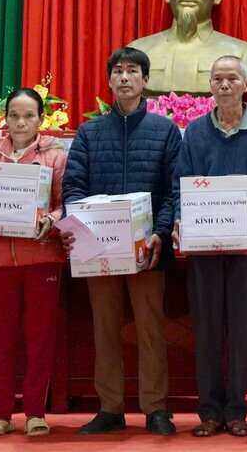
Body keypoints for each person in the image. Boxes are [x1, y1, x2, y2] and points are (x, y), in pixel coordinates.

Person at [61, 47, 181, 435]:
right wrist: (79, 230)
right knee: (105, 327)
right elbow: (73, 186)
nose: (125, 77)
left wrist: (161, 234)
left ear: (145, 81)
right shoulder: (90, 132)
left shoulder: (164, 131)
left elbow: (172, 191)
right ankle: (110, 407)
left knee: (150, 328)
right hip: (99, 250)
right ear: (110, 81)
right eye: (118, 71)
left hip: (147, 250)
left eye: (133, 71)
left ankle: (155, 408)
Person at [172, 55, 247, 437]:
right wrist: (180, 223)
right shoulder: (196, 132)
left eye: (231, 78)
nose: (223, 85)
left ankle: (236, 411)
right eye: (217, 78)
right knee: (205, 329)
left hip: (246, 245)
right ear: (210, 87)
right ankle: (209, 413)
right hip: (202, 247)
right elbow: (182, 181)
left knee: (240, 329)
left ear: (245, 84)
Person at [0, 88, 68, 438]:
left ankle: (35, 411)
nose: (21, 122)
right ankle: (0, 412)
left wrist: (52, 219)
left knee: (40, 337)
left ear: (40, 119)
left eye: (29, 116)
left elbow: (67, 204)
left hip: (41, 259)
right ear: (5, 118)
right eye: (15, 115)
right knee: (0, 339)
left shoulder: (55, 156)